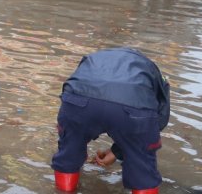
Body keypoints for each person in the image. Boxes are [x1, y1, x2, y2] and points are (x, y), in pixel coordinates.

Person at [51, 47, 170, 194]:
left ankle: (64, 191)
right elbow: (159, 120)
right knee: (142, 167)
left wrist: (70, 133)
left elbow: (69, 90)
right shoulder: (151, 68)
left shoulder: (92, 58)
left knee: (69, 152)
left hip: (78, 101)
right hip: (133, 108)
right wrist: (119, 151)